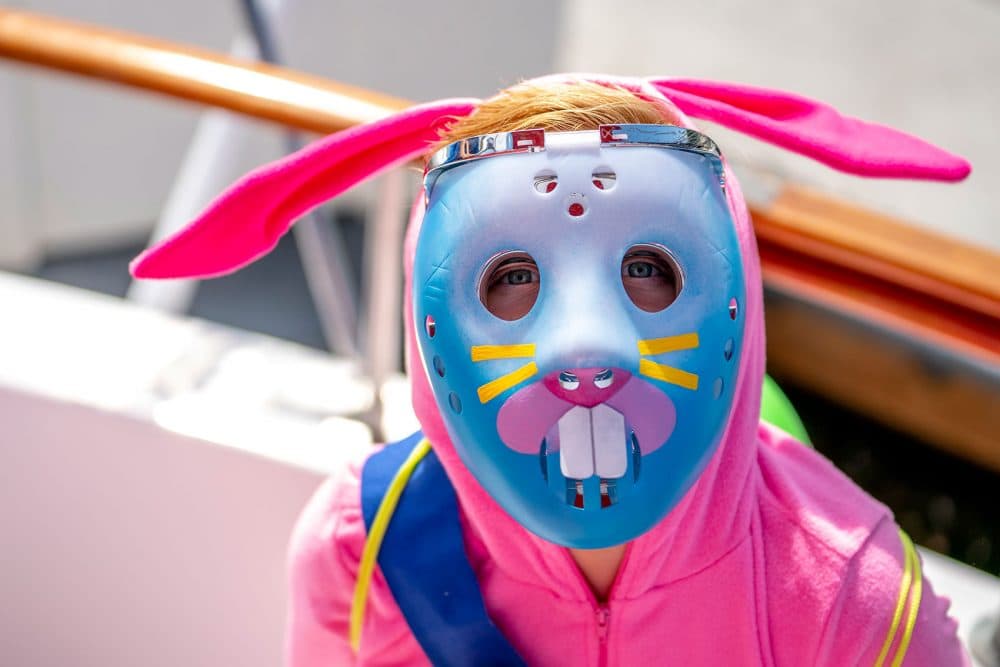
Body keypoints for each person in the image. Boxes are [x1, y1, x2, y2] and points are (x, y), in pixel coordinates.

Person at [131, 75, 972, 666]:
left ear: (734, 293)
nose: (585, 353)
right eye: (510, 279)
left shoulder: (851, 597)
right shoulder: (361, 553)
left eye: (650, 267)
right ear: (429, 322)